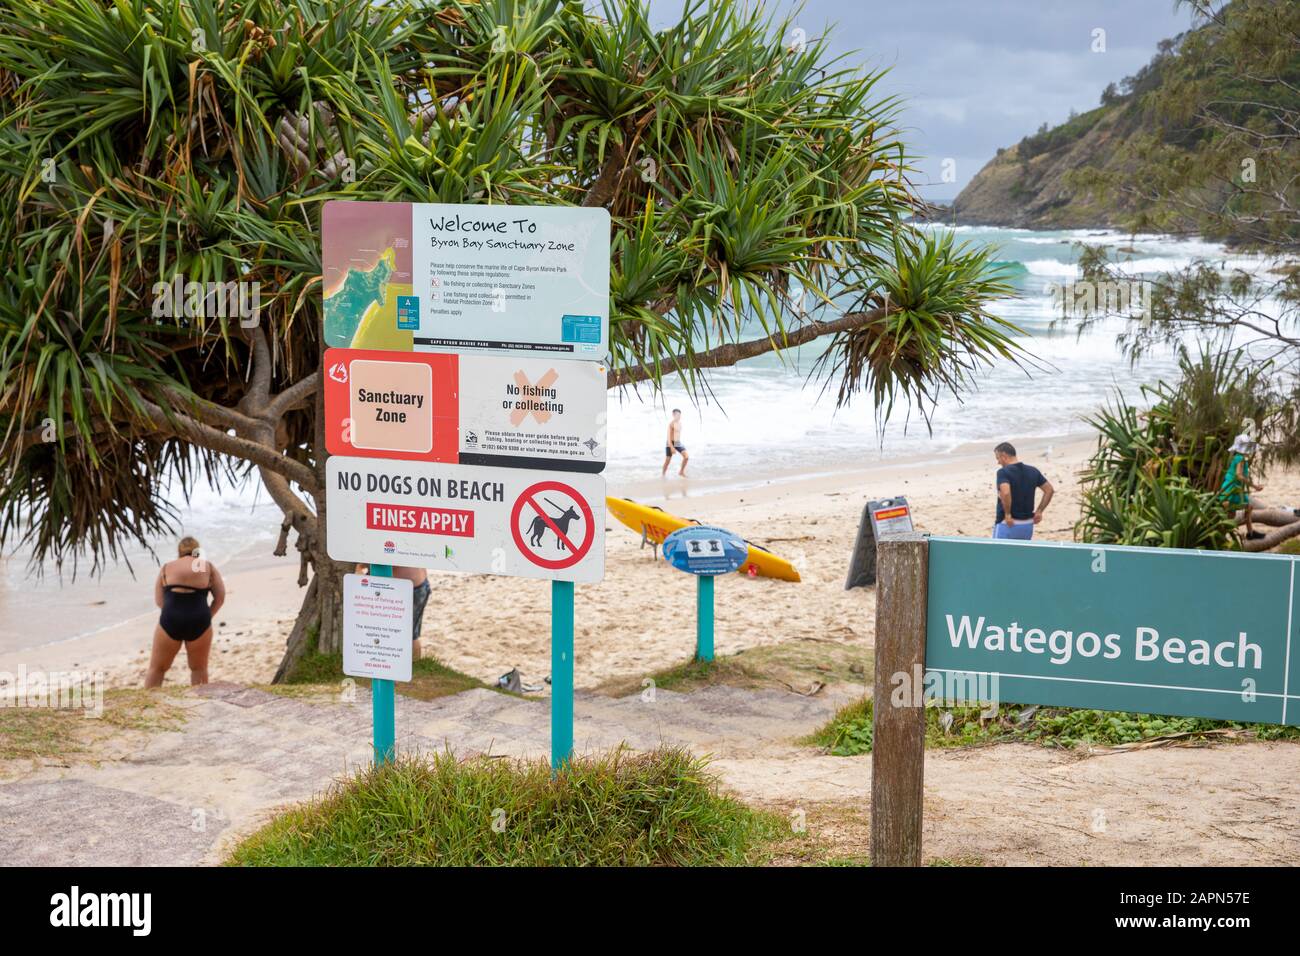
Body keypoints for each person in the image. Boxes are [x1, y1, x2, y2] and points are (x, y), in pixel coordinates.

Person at [145, 536, 225, 687]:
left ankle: (148, 705)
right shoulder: (207, 566)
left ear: (179, 551)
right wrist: (206, 616)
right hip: (199, 619)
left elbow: (159, 601)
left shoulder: (167, 567)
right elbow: (220, 598)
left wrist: (174, 613)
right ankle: (200, 704)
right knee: (199, 669)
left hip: (171, 618)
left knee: (157, 669)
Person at [356, 564, 431, 659]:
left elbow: (385, 560)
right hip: (418, 584)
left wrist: (361, 565)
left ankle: (414, 665)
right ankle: (415, 665)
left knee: (408, 635)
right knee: (411, 634)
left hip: (408, 589)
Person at [992, 442, 1053, 540]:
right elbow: (1049, 490)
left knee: (999, 554)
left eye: (998, 458)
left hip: (1007, 523)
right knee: (1020, 554)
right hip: (1027, 524)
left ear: (1004, 456)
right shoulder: (1033, 471)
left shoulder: (1003, 472)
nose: (998, 462)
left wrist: (1007, 514)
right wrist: (1039, 511)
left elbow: (1006, 492)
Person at [1219, 433, 1266, 541]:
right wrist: (1254, 486)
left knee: (1234, 513)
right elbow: (1239, 475)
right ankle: (1248, 533)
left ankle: (1249, 533)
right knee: (1238, 511)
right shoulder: (1240, 458)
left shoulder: (1237, 457)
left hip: (1231, 489)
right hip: (1232, 490)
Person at [662, 408, 689, 477]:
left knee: (686, 457)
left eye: (679, 415)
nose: (679, 416)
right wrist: (672, 447)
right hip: (670, 443)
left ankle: (681, 472)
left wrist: (677, 445)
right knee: (668, 460)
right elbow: (668, 437)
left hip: (677, 442)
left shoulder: (679, 423)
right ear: (673, 415)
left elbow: (677, 435)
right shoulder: (671, 424)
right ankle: (663, 475)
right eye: (677, 415)